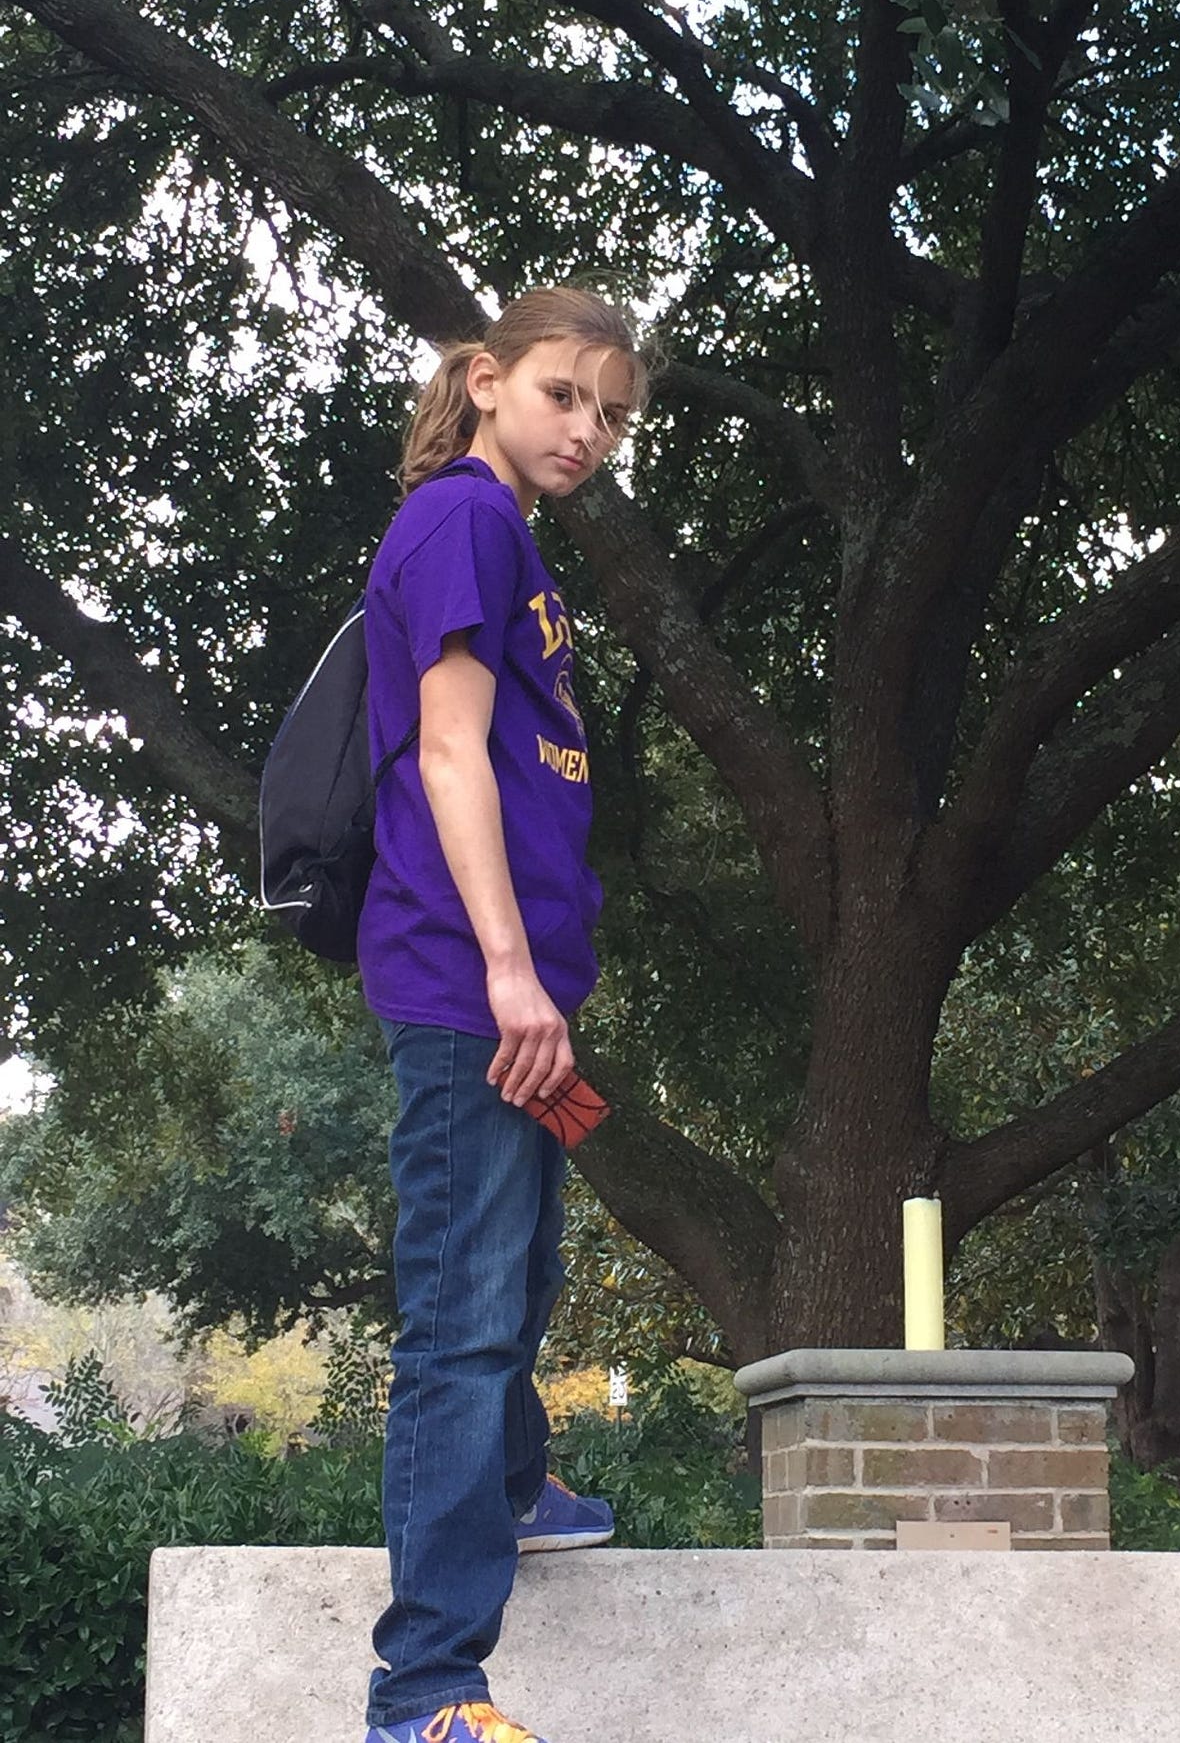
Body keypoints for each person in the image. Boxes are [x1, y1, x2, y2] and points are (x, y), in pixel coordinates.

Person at [359, 287, 648, 1743]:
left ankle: (516, 1480)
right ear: (487, 382)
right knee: (463, 1320)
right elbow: (454, 757)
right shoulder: (464, 522)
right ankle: (424, 1695)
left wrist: (538, 975)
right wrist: (508, 971)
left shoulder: (510, 540)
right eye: (563, 395)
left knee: (516, 1270)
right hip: (473, 984)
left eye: (610, 412)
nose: (587, 428)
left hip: (512, 989)